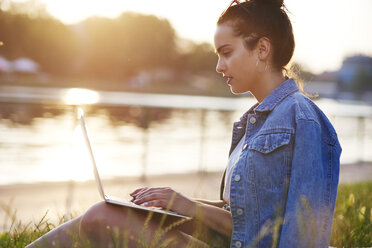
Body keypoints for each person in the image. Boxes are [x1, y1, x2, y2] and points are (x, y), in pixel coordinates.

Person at [26, 0, 341, 247]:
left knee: (100, 217)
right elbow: (248, 212)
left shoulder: (303, 119)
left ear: (261, 49)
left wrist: (188, 206)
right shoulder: (257, 120)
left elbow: (304, 232)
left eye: (226, 53)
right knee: (110, 212)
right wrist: (172, 204)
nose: (218, 66)